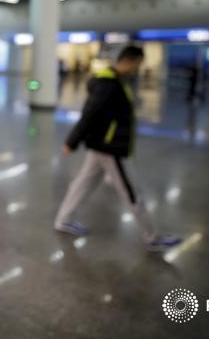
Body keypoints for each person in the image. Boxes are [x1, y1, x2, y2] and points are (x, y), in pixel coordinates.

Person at [53, 45, 182, 252]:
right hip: (110, 148)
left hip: (103, 145)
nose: (137, 68)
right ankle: (152, 236)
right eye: (137, 64)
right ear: (129, 60)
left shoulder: (116, 81)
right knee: (132, 192)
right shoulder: (108, 83)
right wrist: (72, 141)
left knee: (82, 184)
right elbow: (90, 114)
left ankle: (63, 220)